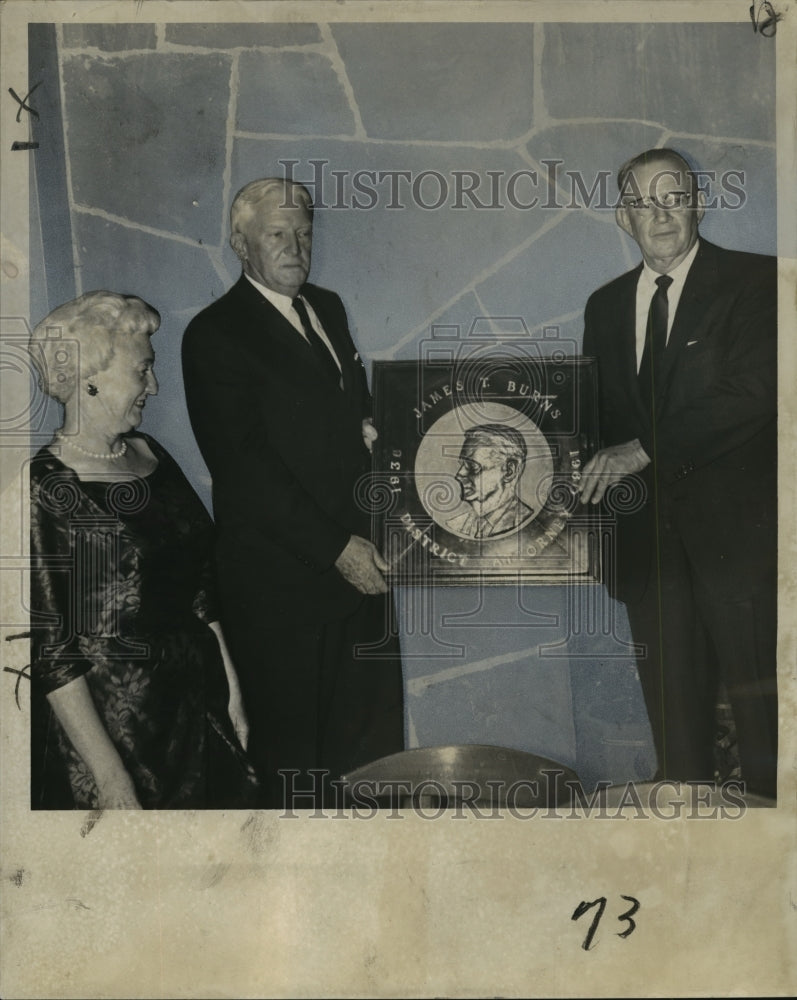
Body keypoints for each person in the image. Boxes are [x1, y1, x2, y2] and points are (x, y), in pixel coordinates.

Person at [181, 177, 404, 809]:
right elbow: (245, 470)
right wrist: (339, 549)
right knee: (297, 779)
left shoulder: (327, 308)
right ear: (239, 242)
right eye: (276, 234)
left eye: (303, 233)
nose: (295, 246)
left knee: (374, 763)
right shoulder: (214, 334)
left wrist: (366, 425)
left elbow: (340, 414)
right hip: (284, 595)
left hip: (365, 575)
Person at [580, 148, 777, 798]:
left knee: (765, 735)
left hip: (739, 548)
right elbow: (589, 423)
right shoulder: (603, 306)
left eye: (673, 196)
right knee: (677, 745)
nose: (659, 213)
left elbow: (753, 393)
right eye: (643, 200)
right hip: (647, 554)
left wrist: (642, 449)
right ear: (622, 216)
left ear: (696, 202)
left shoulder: (757, 282)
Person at [29, 291, 258, 810]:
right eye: (143, 370)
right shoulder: (48, 488)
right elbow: (51, 651)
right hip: (117, 734)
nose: (153, 387)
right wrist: (110, 777)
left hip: (195, 713)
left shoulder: (152, 454)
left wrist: (234, 692)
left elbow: (202, 588)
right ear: (91, 375)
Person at [447, 424, 535, 538]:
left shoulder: (526, 523)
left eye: (473, 467)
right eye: (462, 465)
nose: (459, 474)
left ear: (509, 471)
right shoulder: (454, 525)